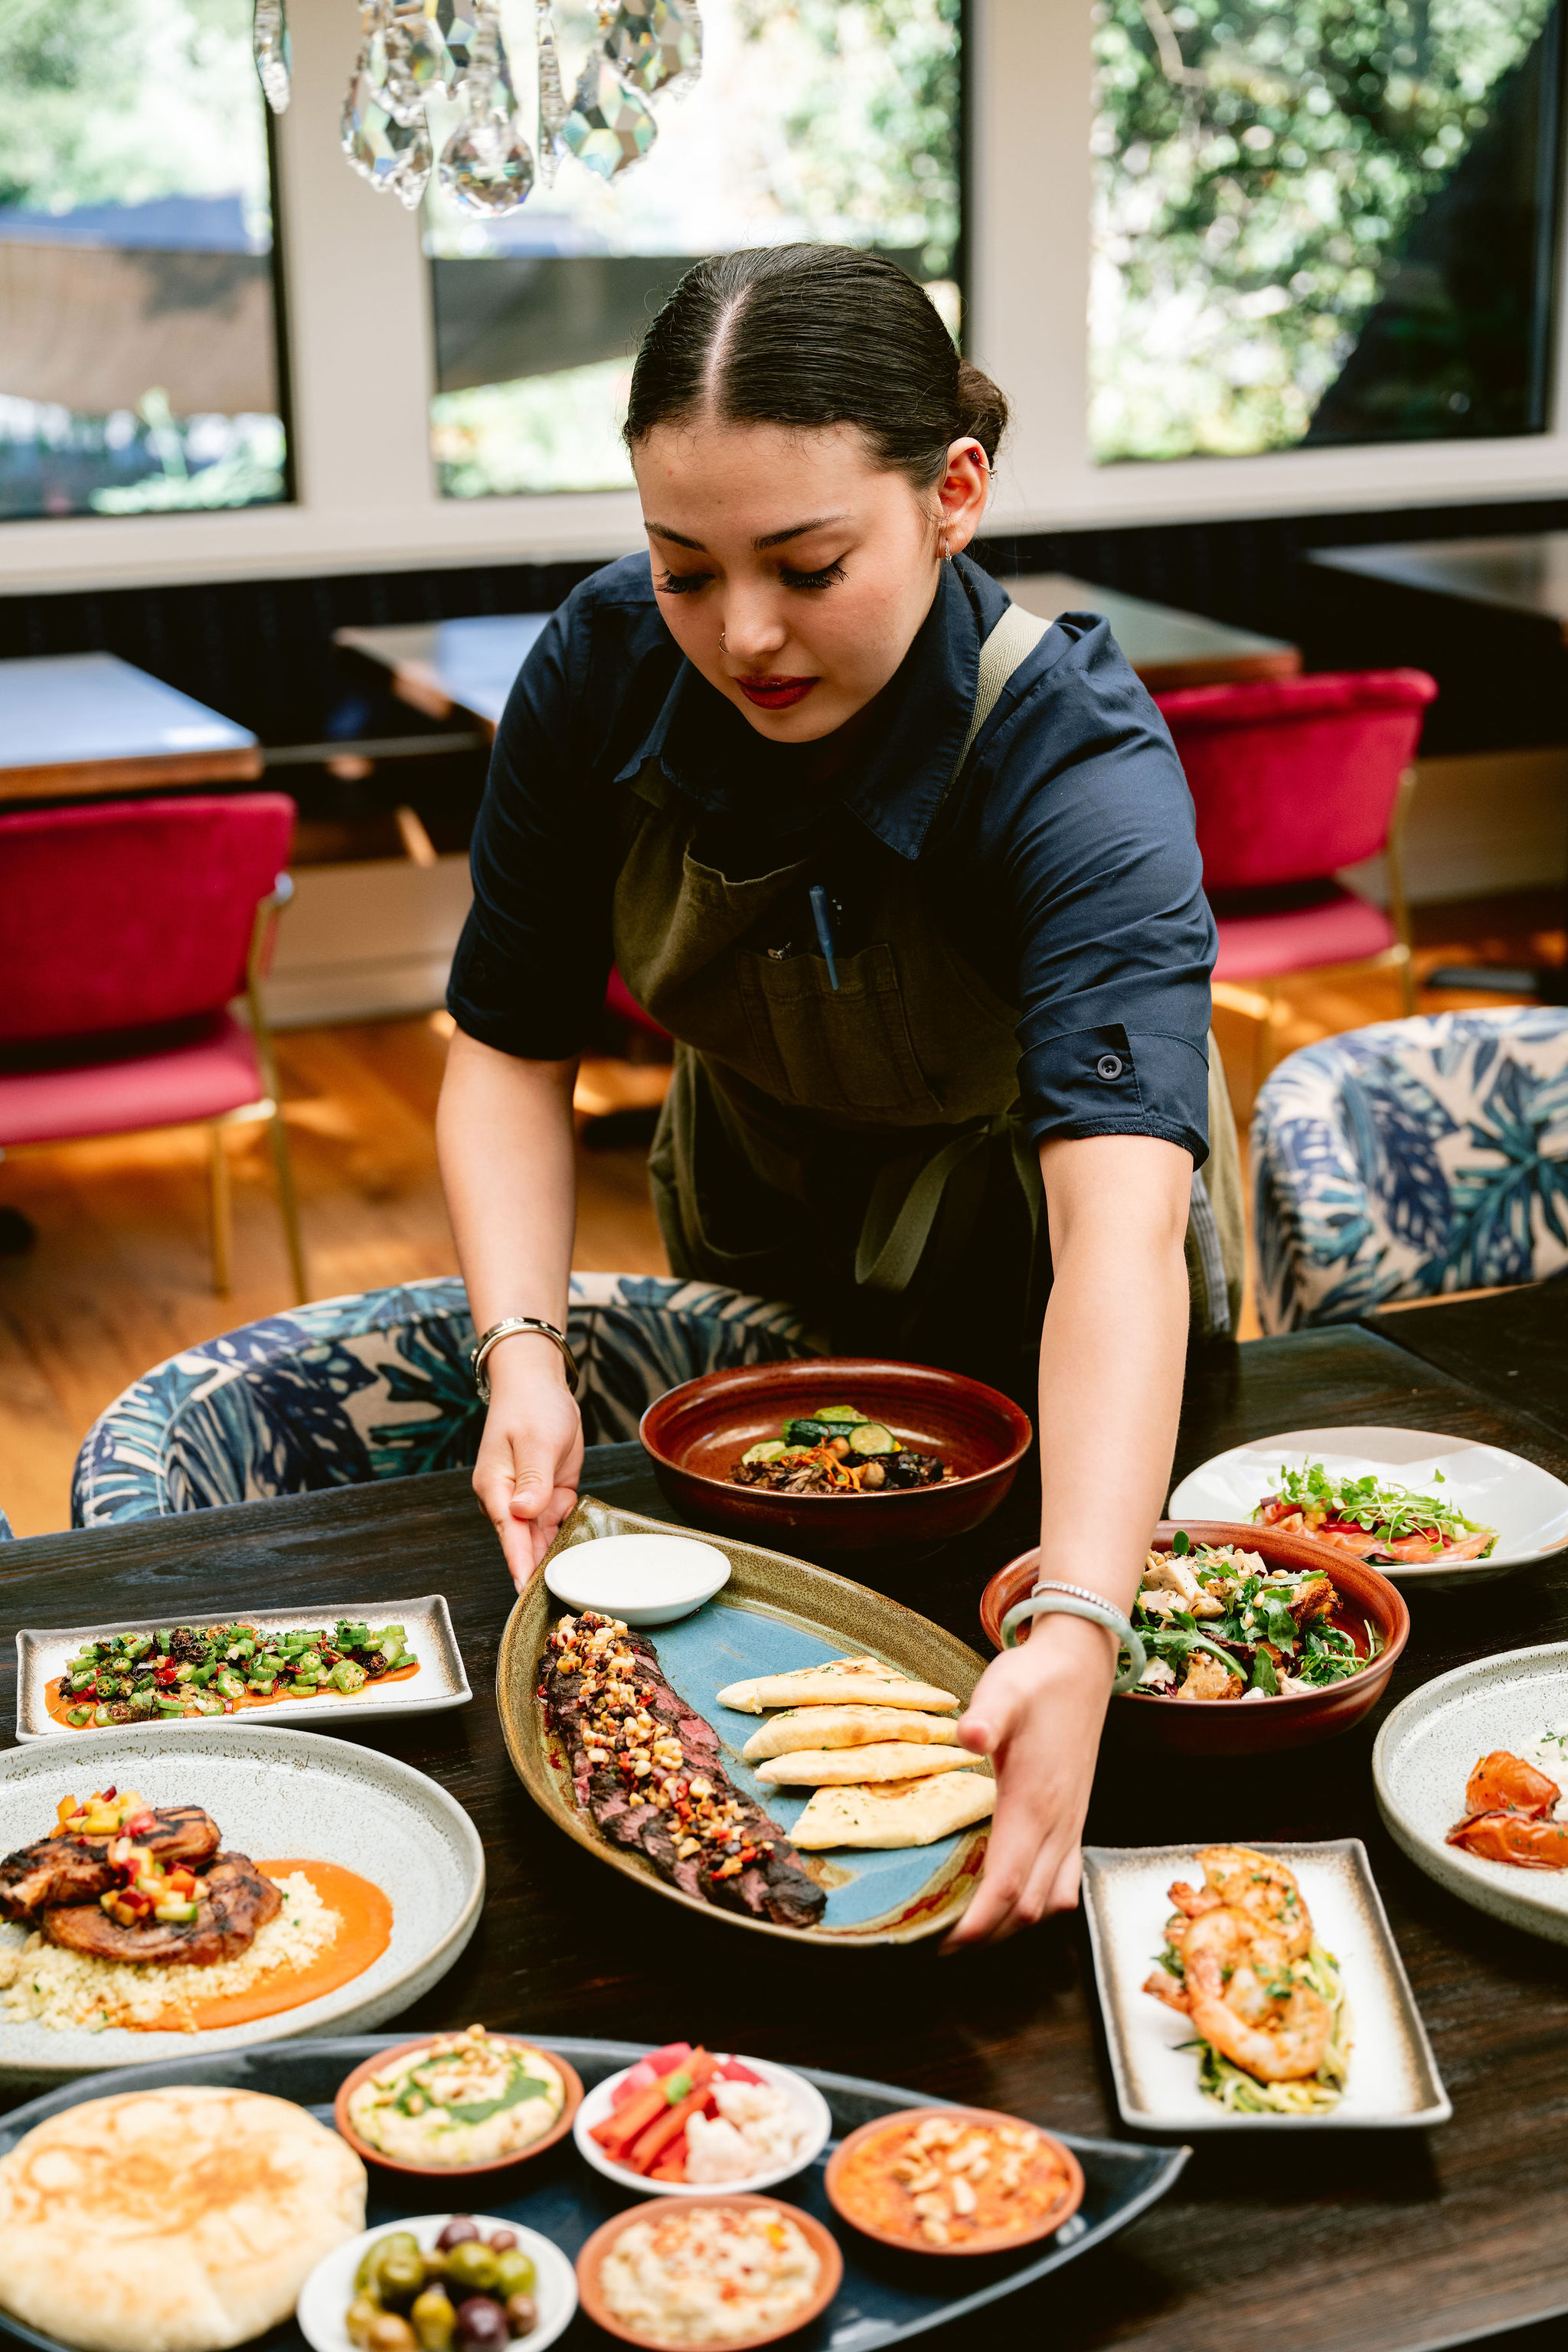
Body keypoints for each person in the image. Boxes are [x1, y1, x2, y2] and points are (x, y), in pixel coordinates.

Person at [436, 244, 1241, 1947]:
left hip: (1061, 1287)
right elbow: (508, 1042)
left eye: (808, 565)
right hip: (766, 1212)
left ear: (953, 493)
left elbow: (1121, 1228)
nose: (742, 632)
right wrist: (525, 1349)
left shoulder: (1072, 756)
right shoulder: (596, 673)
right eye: (682, 569)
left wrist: (1086, 1620)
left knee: (1050, 1748)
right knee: (738, 1699)